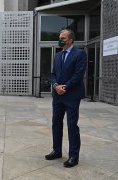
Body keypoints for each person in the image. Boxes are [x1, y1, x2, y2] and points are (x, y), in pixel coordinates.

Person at [45, 29, 87, 168]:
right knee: (56, 123)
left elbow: (78, 74)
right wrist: (56, 86)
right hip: (57, 96)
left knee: (72, 125)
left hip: (72, 96)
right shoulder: (57, 55)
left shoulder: (80, 54)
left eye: (63, 37)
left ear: (70, 40)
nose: (60, 39)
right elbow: (52, 74)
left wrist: (65, 87)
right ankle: (57, 150)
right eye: (59, 37)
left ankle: (74, 156)